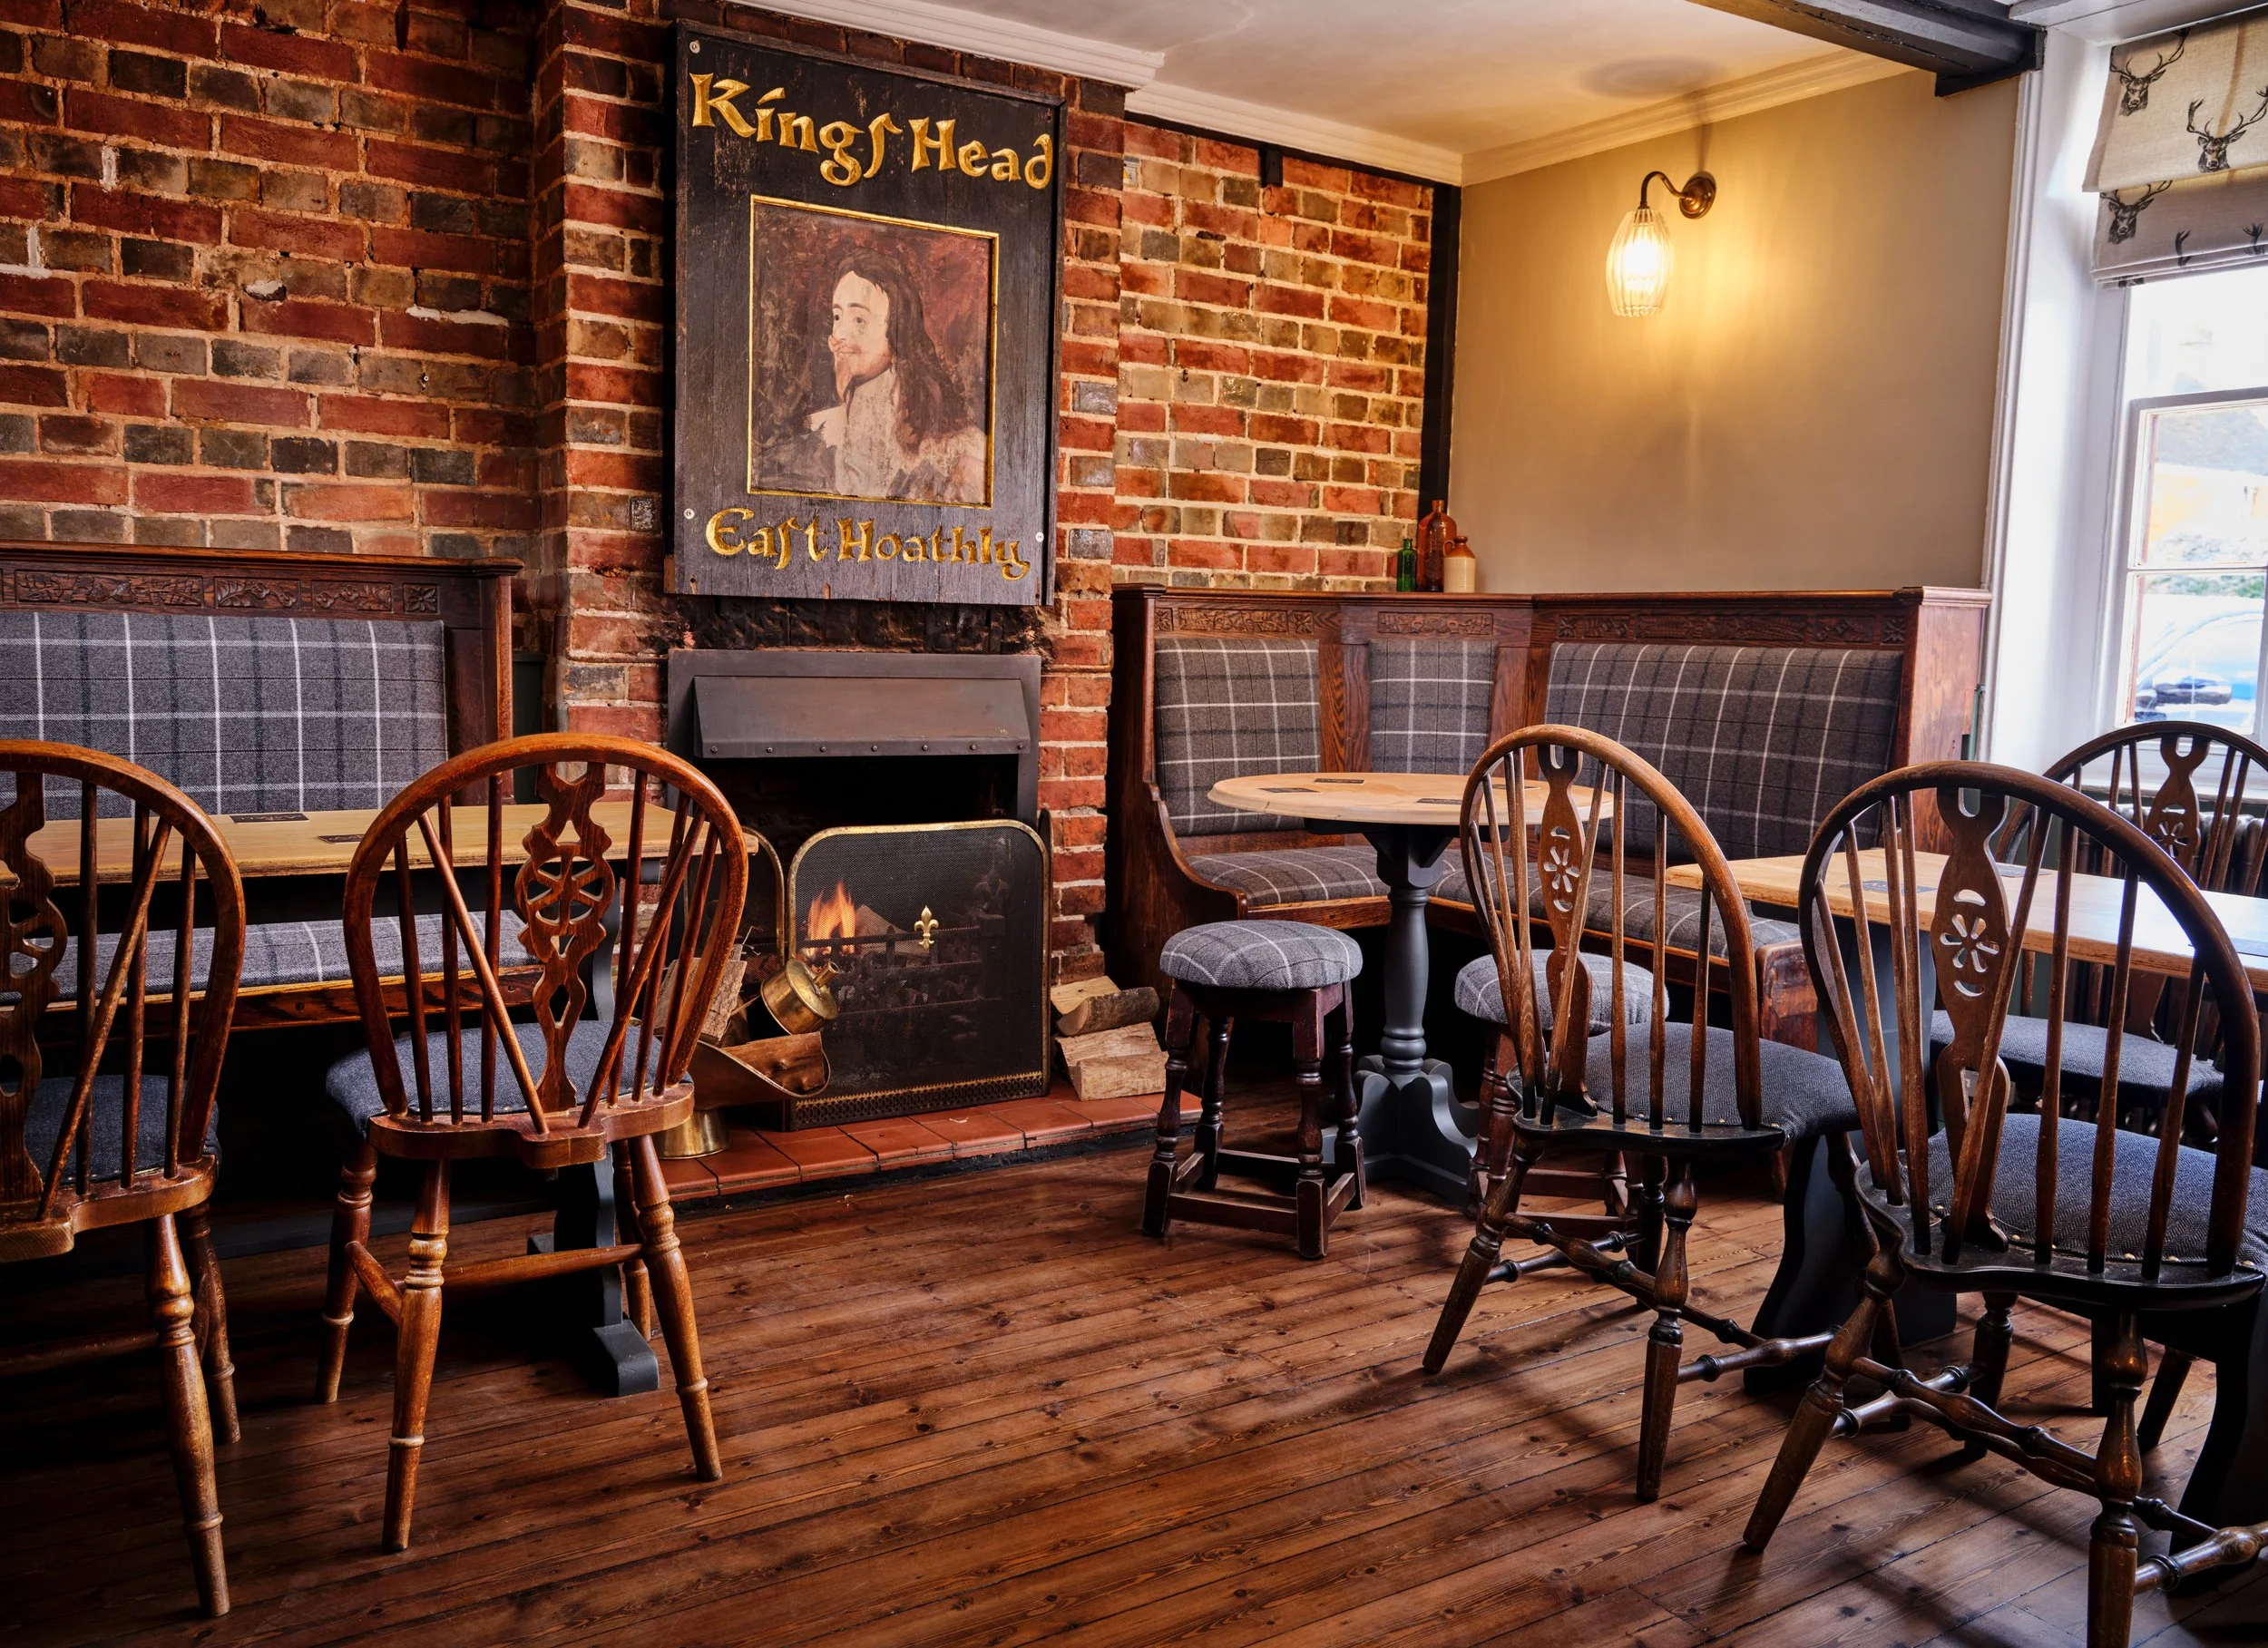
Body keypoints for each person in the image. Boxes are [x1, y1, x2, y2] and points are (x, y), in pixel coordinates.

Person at [804, 251, 986, 504]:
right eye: (837, 317)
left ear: (896, 330)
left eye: (859, 319)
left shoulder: (954, 445)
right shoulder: (820, 432)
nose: (839, 335)